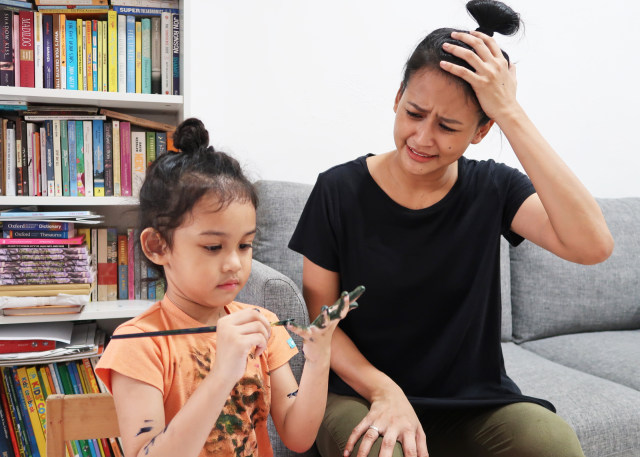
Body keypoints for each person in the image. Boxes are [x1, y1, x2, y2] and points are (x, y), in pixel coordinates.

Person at [288, 1, 614, 457]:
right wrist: (384, 389)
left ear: (480, 131)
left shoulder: (493, 188)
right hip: (359, 395)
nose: (423, 138)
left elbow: (593, 245)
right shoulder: (338, 189)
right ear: (397, 97)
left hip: (473, 406)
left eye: (448, 126)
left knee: (550, 441)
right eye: (415, 113)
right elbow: (321, 320)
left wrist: (510, 111)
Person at [95, 118, 355, 457]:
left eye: (245, 246)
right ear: (158, 247)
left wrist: (320, 357)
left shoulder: (261, 323)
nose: (234, 263)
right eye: (213, 247)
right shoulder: (139, 345)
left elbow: (298, 436)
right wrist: (222, 375)